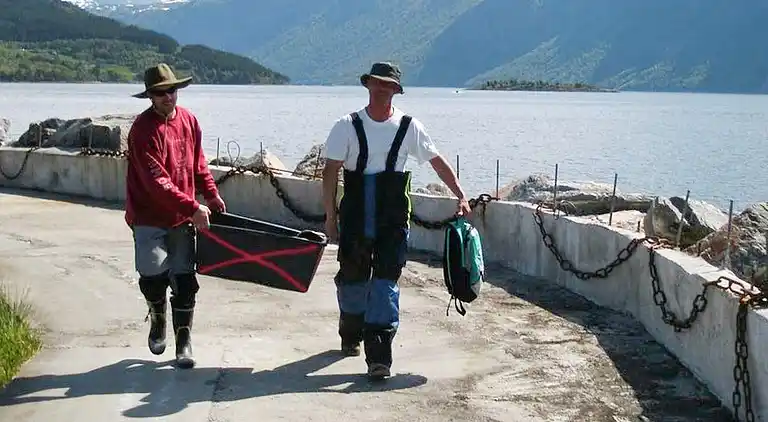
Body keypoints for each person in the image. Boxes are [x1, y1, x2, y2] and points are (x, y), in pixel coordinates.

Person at [321, 62, 471, 380]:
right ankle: (350, 331)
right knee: (352, 282)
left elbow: (436, 161)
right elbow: (330, 171)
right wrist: (330, 218)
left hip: (393, 221)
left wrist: (460, 194)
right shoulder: (346, 125)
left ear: (395, 90)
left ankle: (379, 358)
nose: (382, 88)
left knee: (385, 284)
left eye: (388, 84)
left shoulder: (409, 126)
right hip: (355, 218)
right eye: (377, 82)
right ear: (368, 85)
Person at [125, 63, 226, 369]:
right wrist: (193, 207)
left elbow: (198, 163)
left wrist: (210, 194)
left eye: (171, 90)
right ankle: (158, 318)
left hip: (182, 219)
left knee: (184, 279)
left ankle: (184, 341)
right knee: (152, 273)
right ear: (150, 97)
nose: (168, 97)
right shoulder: (142, 130)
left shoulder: (189, 121)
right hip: (148, 216)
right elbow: (157, 182)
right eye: (160, 93)